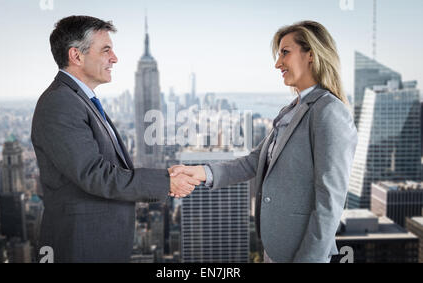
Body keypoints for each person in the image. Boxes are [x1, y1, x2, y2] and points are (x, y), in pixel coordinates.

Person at [170, 21, 358, 263]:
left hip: (302, 255)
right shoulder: (292, 109)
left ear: (311, 55)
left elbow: (329, 203)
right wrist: (201, 172)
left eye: (285, 53)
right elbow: (253, 162)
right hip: (275, 251)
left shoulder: (329, 111)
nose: (278, 63)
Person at [31, 15, 199, 262]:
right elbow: (95, 175)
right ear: (76, 56)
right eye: (106, 50)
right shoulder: (60, 103)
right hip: (80, 246)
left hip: (97, 243)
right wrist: (166, 182)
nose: (115, 58)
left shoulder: (80, 100)